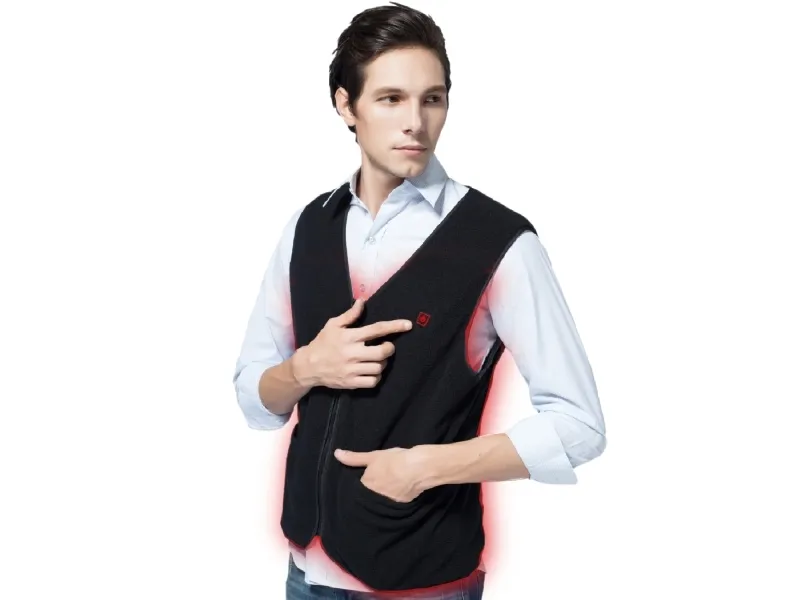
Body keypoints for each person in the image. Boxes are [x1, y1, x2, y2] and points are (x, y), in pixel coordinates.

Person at [232, 3, 607, 598]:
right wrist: (304, 369)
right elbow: (255, 398)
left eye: (432, 99)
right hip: (305, 574)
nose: (415, 122)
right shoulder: (307, 228)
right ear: (345, 106)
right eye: (390, 99)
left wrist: (426, 467)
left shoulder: (500, 242)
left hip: (424, 582)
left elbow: (579, 426)